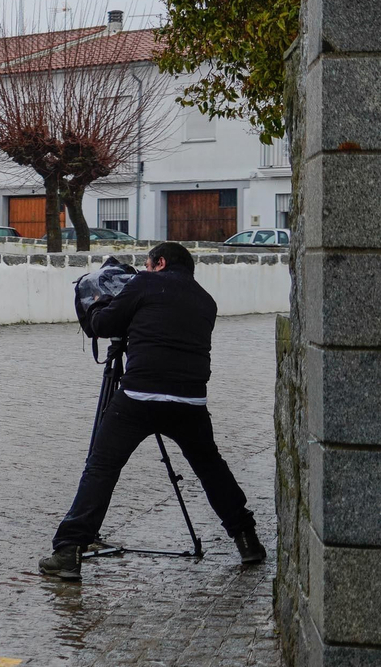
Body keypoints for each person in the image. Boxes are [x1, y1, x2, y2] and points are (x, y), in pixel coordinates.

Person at [39, 241, 267, 581]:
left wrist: (99, 303)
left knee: (101, 467)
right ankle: (247, 540)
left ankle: (68, 551)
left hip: (139, 396)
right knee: (211, 468)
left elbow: (104, 325)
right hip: (190, 402)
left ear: (159, 263)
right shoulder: (207, 300)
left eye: (147, 264)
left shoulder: (143, 284)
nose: (144, 270)